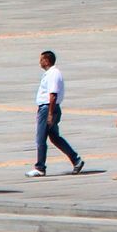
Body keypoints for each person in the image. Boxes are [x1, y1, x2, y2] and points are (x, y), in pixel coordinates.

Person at [26, 50, 84, 178]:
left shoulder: (53, 74)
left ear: (46, 60)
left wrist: (50, 114)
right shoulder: (50, 73)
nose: (39, 62)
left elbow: (52, 95)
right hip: (47, 108)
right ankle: (76, 160)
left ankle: (40, 167)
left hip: (47, 108)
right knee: (55, 137)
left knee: (41, 138)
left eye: (41, 59)